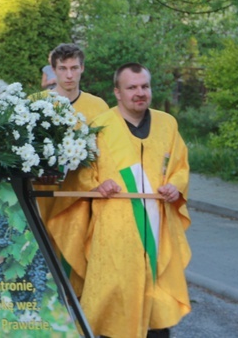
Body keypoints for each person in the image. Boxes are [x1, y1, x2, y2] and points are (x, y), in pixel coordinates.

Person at [57, 63, 191, 337]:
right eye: (132, 87)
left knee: (157, 310)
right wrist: (97, 184)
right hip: (113, 235)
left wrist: (175, 187)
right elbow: (81, 173)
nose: (140, 93)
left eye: (144, 86)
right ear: (117, 92)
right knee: (111, 306)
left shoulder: (168, 123)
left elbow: (180, 167)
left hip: (156, 231)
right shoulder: (100, 126)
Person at [39, 43, 109, 295]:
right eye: (63, 68)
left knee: (77, 250)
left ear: (82, 69)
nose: (69, 75)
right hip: (44, 192)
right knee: (45, 248)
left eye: (74, 68)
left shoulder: (98, 106)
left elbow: (106, 149)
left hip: (81, 194)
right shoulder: (38, 103)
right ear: (54, 70)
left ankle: (78, 306)